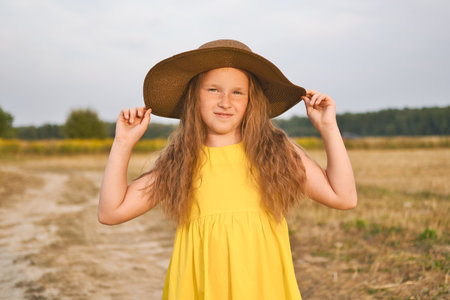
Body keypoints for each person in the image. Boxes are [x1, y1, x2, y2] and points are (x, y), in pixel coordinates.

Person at [98, 39, 357, 300]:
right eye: (213, 90)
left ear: (251, 100)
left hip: (263, 288)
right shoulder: (179, 161)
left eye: (237, 92)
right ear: (194, 96)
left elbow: (343, 197)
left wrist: (328, 128)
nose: (225, 102)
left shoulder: (276, 152)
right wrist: (123, 142)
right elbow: (111, 212)